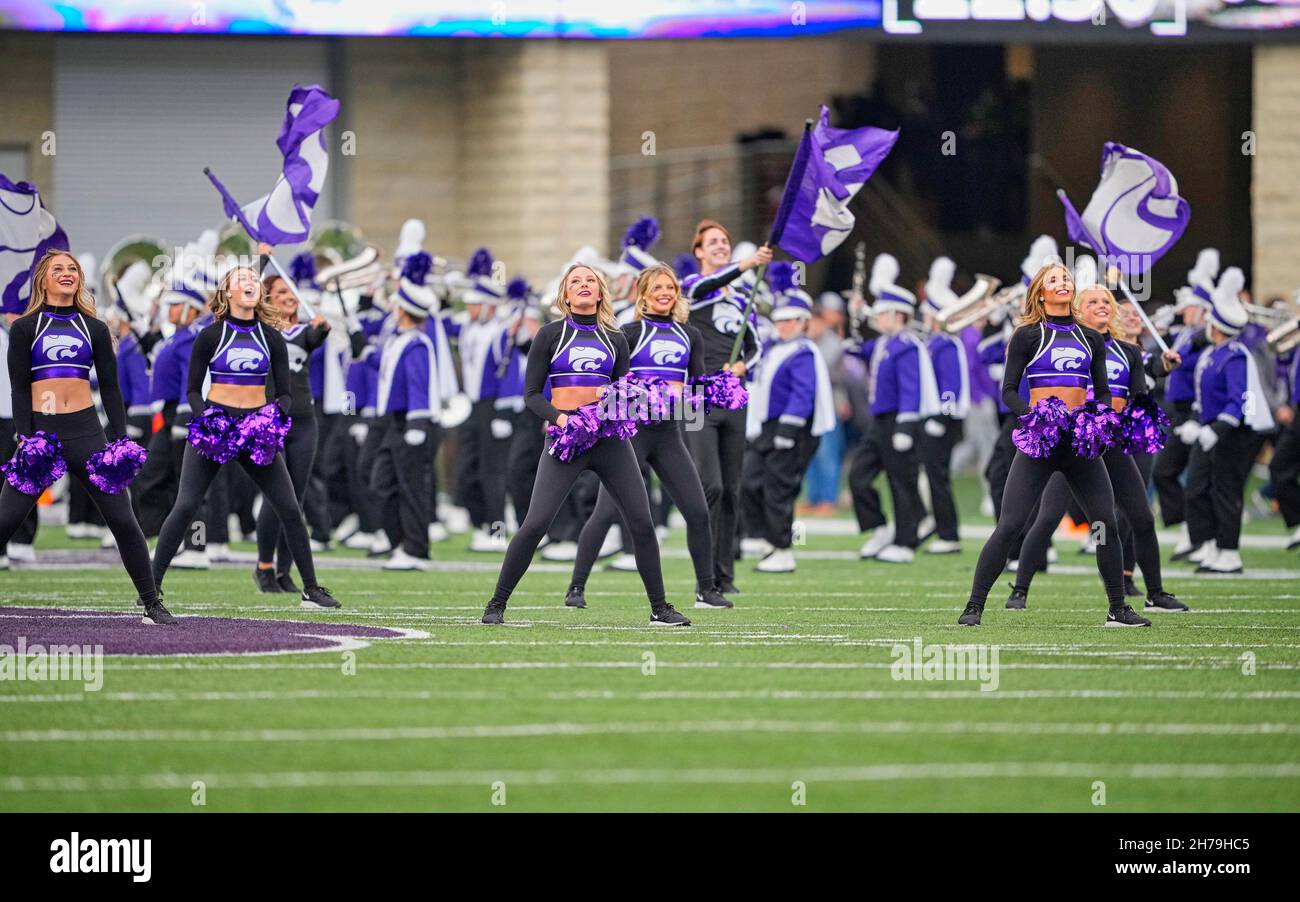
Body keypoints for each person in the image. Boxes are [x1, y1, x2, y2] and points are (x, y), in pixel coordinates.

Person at [480, 264, 688, 626]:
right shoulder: (549, 335)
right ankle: (496, 603)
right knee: (535, 523)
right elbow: (531, 394)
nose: (583, 285)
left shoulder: (616, 338)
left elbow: (623, 390)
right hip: (567, 438)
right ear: (565, 293)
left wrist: (647, 400)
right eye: (575, 281)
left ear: (600, 291)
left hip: (608, 439)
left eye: (590, 280)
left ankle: (660, 608)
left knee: (641, 521)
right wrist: (561, 419)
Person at [958, 262, 1146, 627]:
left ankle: (1117, 608)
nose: (1062, 283)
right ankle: (974, 606)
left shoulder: (1089, 337)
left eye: (1066, 279)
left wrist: (1099, 420)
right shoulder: (1028, 335)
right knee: (1011, 523)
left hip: (1078, 444)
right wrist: (1032, 416)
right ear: (1040, 293)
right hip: (1040, 441)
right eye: (1054, 280)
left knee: (1103, 523)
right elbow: (1008, 391)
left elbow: (1103, 390)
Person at [150, 264, 340, 609]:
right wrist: (206, 417)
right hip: (217, 424)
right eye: (242, 280)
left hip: (255, 427)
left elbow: (284, 392)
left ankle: (310, 589)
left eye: (253, 279)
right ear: (228, 294)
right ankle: (150, 592)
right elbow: (192, 388)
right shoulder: (210, 335)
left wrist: (272, 418)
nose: (250, 283)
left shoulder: (270, 336)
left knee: (289, 508)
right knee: (186, 505)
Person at [0, 250, 173, 624]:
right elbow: (19, 388)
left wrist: (121, 439)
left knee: (124, 520)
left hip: (85, 433)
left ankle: (151, 602)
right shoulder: (25, 328)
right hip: (42, 434)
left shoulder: (93, 328)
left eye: (72, 269)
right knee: (5, 518)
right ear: (43, 279)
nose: (67, 273)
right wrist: (26, 438)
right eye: (58, 269)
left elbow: (110, 388)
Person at [1006, 277, 1187, 613]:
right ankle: (1020, 589)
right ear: (1078, 310)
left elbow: (1142, 388)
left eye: (1107, 302)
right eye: (1093, 302)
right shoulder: (1075, 343)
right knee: (1047, 518)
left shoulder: (1127, 350)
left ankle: (1154, 592)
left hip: (1111, 442)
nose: (1103, 307)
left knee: (1138, 519)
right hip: (1074, 442)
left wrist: (1160, 370)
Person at [564, 263, 730, 609]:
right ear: (643, 295)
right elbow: (611, 387)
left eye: (670, 288)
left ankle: (706, 590)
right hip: (632, 435)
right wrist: (642, 396)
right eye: (657, 288)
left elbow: (695, 396)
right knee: (606, 511)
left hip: (669, 436)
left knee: (698, 511)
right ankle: (576, 587)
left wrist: (712, 391)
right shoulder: (629, 332)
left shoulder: (690, 335)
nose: (665, 294)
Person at [681, 219, 771, 594]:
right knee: (710, 486)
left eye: (725, 241)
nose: (720, 245)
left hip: (733, 396)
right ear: (699, 251)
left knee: (732, 488)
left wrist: (743, 365)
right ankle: (704, 577)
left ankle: (725, 574)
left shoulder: (741, 299)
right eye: (712, 242)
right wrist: (747, 265)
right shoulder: (691, 287)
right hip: (698, 398)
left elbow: (756, 345)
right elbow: (705, 286)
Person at [740, 265, 836, 573]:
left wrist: (788, 428)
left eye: (789, 320)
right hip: (768, 427)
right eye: (779, 320)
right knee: (750, 480)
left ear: (804, 323)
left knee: (779, 489)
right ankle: (767, 538)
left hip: (791, 429)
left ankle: (783, 549)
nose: (782, 325)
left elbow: (803, 394)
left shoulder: (804, 352)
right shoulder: (774, 348)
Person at [1181, 268, 1276, 574]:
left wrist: (1216, 428)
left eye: (1210, 322)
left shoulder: (1233, 355)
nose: (1204, 325)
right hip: (1213, 430)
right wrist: (1198, 422)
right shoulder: (1213, 352)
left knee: (1227, 490)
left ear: (1218, 327)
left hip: (1232, 433)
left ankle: (1229, 551)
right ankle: (1212, 545)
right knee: (1200, 488)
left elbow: (1239, 400)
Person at [848, 253, 939, 564]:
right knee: (859, 475)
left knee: (902, 482)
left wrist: (905, 426)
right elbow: (856, 348)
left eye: (882, 313)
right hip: (879, 422)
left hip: (900, 422)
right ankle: (879, 527)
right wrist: (856, 317)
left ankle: (906, 541)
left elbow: (912, 388)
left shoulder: (906, 345)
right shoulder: (884, 344)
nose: (878, 318)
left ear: (899, 315)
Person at [253, 259, 331, 592]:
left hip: (304, 422)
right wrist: (261, 258)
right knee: (276, 497)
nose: (289, 296)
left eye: (292, 292)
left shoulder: (304, 332)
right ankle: (264, 566)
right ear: (266, 298)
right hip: (271, 421)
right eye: (281, 291)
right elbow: (245, 289)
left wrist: (323, 327)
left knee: (294, 500)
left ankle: (285, 570)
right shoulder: (259, 333)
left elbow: (316, 335)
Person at [370, 252, 443, 571]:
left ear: (403, 309)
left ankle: (415, 549)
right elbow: (385, 370)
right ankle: (400, 540)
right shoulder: (398, 341)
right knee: (381, 481)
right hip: (394, 423)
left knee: (412, 487)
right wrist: (360, 346)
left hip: (412, 422)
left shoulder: (416, 343)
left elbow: (418, 383)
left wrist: (416, 422)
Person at [1152, 249, 1218, 559]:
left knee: (1201, 479)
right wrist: (1162, 328)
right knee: (1165, 472)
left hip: (1197, 410)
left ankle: (1207, 538)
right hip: (1176, 410)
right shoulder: (1185, 333)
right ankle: (1188, 529)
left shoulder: (1204, 335)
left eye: (1190, 306)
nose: (1185, 310)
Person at [919, 257, 971, 554]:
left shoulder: (946, 343)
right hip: (935, 416)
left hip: (943, 418)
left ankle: (948, 533)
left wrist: (942, 417)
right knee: (930, 473)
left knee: (938, 475)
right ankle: (935, 523)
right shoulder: (935, 342)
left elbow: (950, 386)